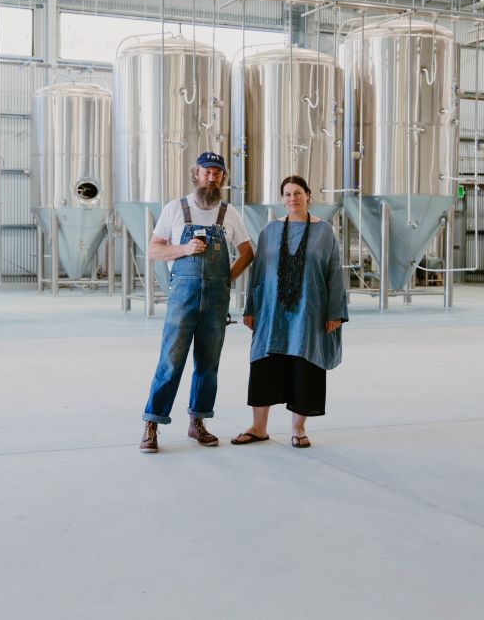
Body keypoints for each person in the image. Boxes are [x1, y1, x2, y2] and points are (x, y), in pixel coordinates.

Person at [139, 151, 254, 453]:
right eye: (207, 172)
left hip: (216, 301)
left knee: (208, 365)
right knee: (171, 361)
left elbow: (247, 252)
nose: (212, 177)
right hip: (182, 299)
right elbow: (153, 250)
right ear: (196, 174)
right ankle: (152, 423)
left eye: (217, 173)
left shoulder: (230, 213)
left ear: (222, 178)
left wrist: (228, 277)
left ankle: (198, 422)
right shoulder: (175, 209)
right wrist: (183, 249)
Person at [232, 175, 348, 449]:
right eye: (287, 194)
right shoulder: (270, 231)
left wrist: (335, 313)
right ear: (281, 199)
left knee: (304, 366)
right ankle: (258, 427)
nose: (292, 199)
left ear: (308, 195)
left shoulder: (325, 232)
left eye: (298, 193)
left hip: (309, 311)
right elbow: (258, 274)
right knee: (264, 364)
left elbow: (334, 274)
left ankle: (298, 428)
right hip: (272, 313)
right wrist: (251, 309)